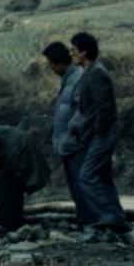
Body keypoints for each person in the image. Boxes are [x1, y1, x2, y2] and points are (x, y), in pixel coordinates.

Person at [68, 32, 129, 235]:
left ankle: (107, 216)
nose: (71, 53)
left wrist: (98, 133)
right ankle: (118, 217)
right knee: (101, 175)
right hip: (98, 133)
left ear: (84, 51)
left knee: (87, 175)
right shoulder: (89, 71)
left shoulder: (97, 73)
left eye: (74, 49)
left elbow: (105, 108)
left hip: (103, 133)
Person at [42, 41, 92, 226]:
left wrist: (72, 132)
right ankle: (84, 219)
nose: (51, 69)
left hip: (75, 141)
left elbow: (82, 110)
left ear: (60, 62)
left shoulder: (78, 77)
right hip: (68, 142)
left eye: (52, 64)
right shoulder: (68, 79)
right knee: (74, 184)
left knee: (82, 183)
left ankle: (91, 220)